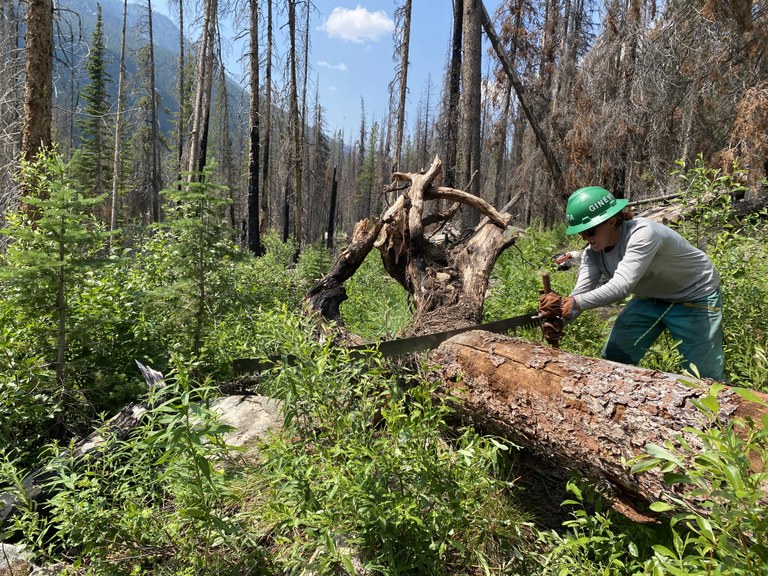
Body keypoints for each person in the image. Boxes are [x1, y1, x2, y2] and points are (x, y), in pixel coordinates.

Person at [539, 186, 725, 381]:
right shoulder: (591, 254)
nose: (585, 237)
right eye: (581, 233)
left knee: (706, 377)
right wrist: (560, 319)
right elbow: (579, 296)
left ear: (612, 221)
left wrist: (572, 303)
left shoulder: (643, 234)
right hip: (650, 297)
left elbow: (621, 287)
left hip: (694, 294)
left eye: (590, 230)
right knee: (614, 359)